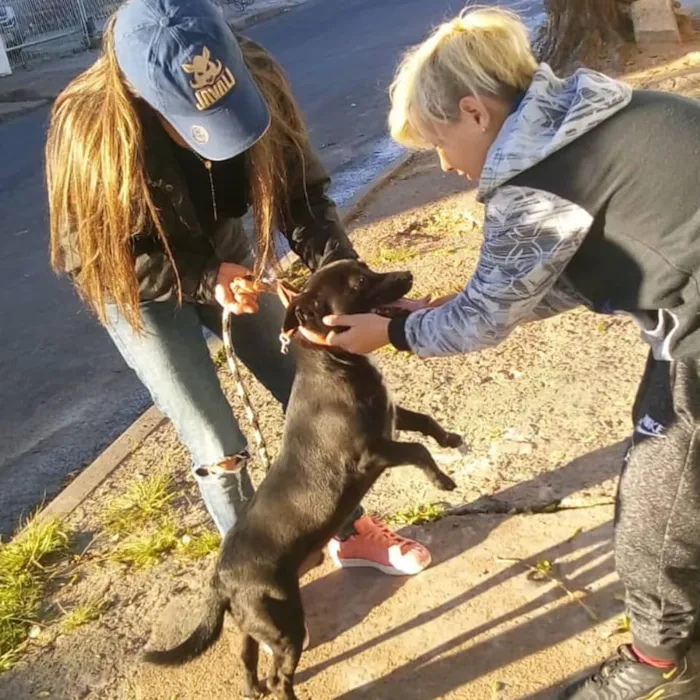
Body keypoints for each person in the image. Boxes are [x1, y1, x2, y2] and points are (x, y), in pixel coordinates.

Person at [310, 6, 700, 699]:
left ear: (474, 112)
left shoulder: (537, 179)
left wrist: (395, 333)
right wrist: (442, 310)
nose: (445, 164)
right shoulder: (588, 116)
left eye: (438, 142)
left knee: (653, 508)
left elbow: (481, 323)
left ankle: (657, 665)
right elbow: (575, 271)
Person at [45, 0, 433, 578]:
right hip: (135, 283)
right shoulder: (88, 127)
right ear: (138, 96)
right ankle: (259, 577)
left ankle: (349, 532)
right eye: (191, 127)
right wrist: (205, 277)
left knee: (313, 387)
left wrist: (352, 282)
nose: (212, 139)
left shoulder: (252, 75)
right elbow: (89, 255)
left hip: (220, 253)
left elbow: (301, 198)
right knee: (216, 439)